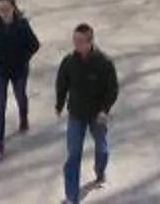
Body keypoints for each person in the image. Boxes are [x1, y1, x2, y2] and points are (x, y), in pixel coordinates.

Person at [54, 22, 120, 201]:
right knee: (73, 154)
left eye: (81, 41)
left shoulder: (104, 62)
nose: (77, 45)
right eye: (75, 41)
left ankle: (100, 171)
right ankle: (72, 196)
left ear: (90, 42)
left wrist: (105, 110)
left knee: (102, 149)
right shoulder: (69, 62)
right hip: (76, 114)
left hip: (97, 115)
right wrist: (59, 105)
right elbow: (62, 84)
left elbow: (112, 89)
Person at [0, 0, 41, 160]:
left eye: (6, 9)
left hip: (18, 70)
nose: (3, 13)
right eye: (0, 9)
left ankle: (23, 116)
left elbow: (34, 44)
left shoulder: (22, 24)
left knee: (20, 96)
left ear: (13, 8)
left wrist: (23, 58)